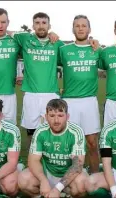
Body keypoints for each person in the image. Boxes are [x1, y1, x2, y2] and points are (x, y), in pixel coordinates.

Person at [14, 12, 94, 144]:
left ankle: (51, 162)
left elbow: (76, 51)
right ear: (33, 25)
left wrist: (91, 41)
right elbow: (4, 32)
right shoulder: (24, 39)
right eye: (37, 23)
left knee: (54, 131)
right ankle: (32, 163)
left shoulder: (58, 44)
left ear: (49, 25)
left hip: (51, 94)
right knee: (31, 133)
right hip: (31, 94)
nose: (41, 26)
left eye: (44, 23)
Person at [58, 15, 103, 174]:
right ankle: (68, 177)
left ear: (89, 29)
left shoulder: (96, 50)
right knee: (69, 143)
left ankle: (95, 176)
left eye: (84, 26)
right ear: (73, 29)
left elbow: (106, 67)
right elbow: (48, 66)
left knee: (91, 142)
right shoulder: (63, 50)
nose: (81, 28)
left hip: (89, 101)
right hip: (70, 102)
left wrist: (97, 44)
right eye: (77, 26)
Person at [18, 99, 88, 198]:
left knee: (82, 184)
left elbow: (77, 165)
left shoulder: (76, 132)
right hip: (48, 173)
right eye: (52, 116)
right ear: (46, 117)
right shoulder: (40, 131)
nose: (56, 120)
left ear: (67, 117)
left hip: (69, 176)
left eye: (60, 115)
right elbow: (33, 161)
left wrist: (57, 188)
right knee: (23, 179)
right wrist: (43, 180)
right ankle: (44, 195)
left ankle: (61, 193)